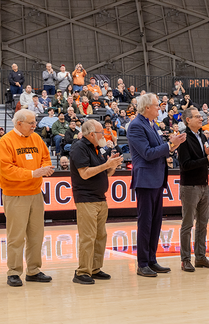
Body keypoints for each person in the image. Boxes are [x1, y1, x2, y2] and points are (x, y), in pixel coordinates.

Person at [128, 93, 186, 277]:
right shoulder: (136, 126)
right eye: (156, 105)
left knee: (155, 222)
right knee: (145, 222)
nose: (159, 107)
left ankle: (151, 259)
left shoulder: (152, 124)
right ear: (146, 108)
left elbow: (158, 151)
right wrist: (170, 145)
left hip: (156, 179)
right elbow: (147, 153)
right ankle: (142, 263)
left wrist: (173, 146)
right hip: (145, 180)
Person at [0, 109, 55, 287]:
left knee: (36, 235)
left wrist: (46, 168)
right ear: (19, 123)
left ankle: (34, 270)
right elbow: (7, 170)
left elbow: (46, 157)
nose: (35, 125)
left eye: (35, 122)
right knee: (16, 236)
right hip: (15, 195)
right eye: (31, 123)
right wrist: (33, 173)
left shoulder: (36, 138)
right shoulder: (6, 141)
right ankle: (13, 272)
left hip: (35, 194)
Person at [69, 120, 123, 284]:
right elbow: (85, 173)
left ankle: (95, 268)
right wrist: (106, 164)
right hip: (86, 199)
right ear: (91, 134)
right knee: (88, 236)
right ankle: (82, 271)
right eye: (101, 132)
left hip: (100, 198)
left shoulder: (97, 149)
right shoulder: (79, 148)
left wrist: (111, 165)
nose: (104, 135)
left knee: (100, 236)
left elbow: (104, 174)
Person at [177, 107, 209, 272]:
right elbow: (185, 165)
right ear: (188, 120)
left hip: (203, 184)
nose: (201, 119)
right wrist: (206, 159)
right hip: (190, 186)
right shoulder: (183, 138)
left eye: (201, 116)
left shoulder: (202, 136)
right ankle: (185, 259)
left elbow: (203, 161)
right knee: (187, 224)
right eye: (197, 116)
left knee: (203, 223)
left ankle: (201, 257)